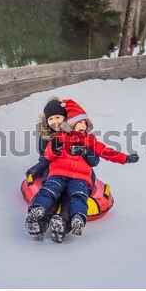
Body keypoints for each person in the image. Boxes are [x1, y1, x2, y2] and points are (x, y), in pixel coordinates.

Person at [27, 99, 139, 237]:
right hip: (58, 172)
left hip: (80, 176)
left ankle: (72, 220)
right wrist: (52, 150)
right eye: (77, 123)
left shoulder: (89, 140)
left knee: (77, 195)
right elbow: (47, 156)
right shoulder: (60, 136)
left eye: (83, 122)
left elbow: (105, 152)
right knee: (50, 190)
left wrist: (124, 158)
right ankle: (38, 214)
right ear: (69, 125)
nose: (81, 126)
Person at [25, 97, 100, 242]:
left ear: (66, 118)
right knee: (54, 194)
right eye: (51, 119)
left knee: (70, 197)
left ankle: (63, 224)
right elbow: (45, 158)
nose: (55, 122)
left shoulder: (81, 135)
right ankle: (39, 223)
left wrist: (84, 150)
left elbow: (94, 160)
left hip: (78, 175)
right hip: (56, 173)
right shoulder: (48, 137)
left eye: (58, 117)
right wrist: (37, 169)